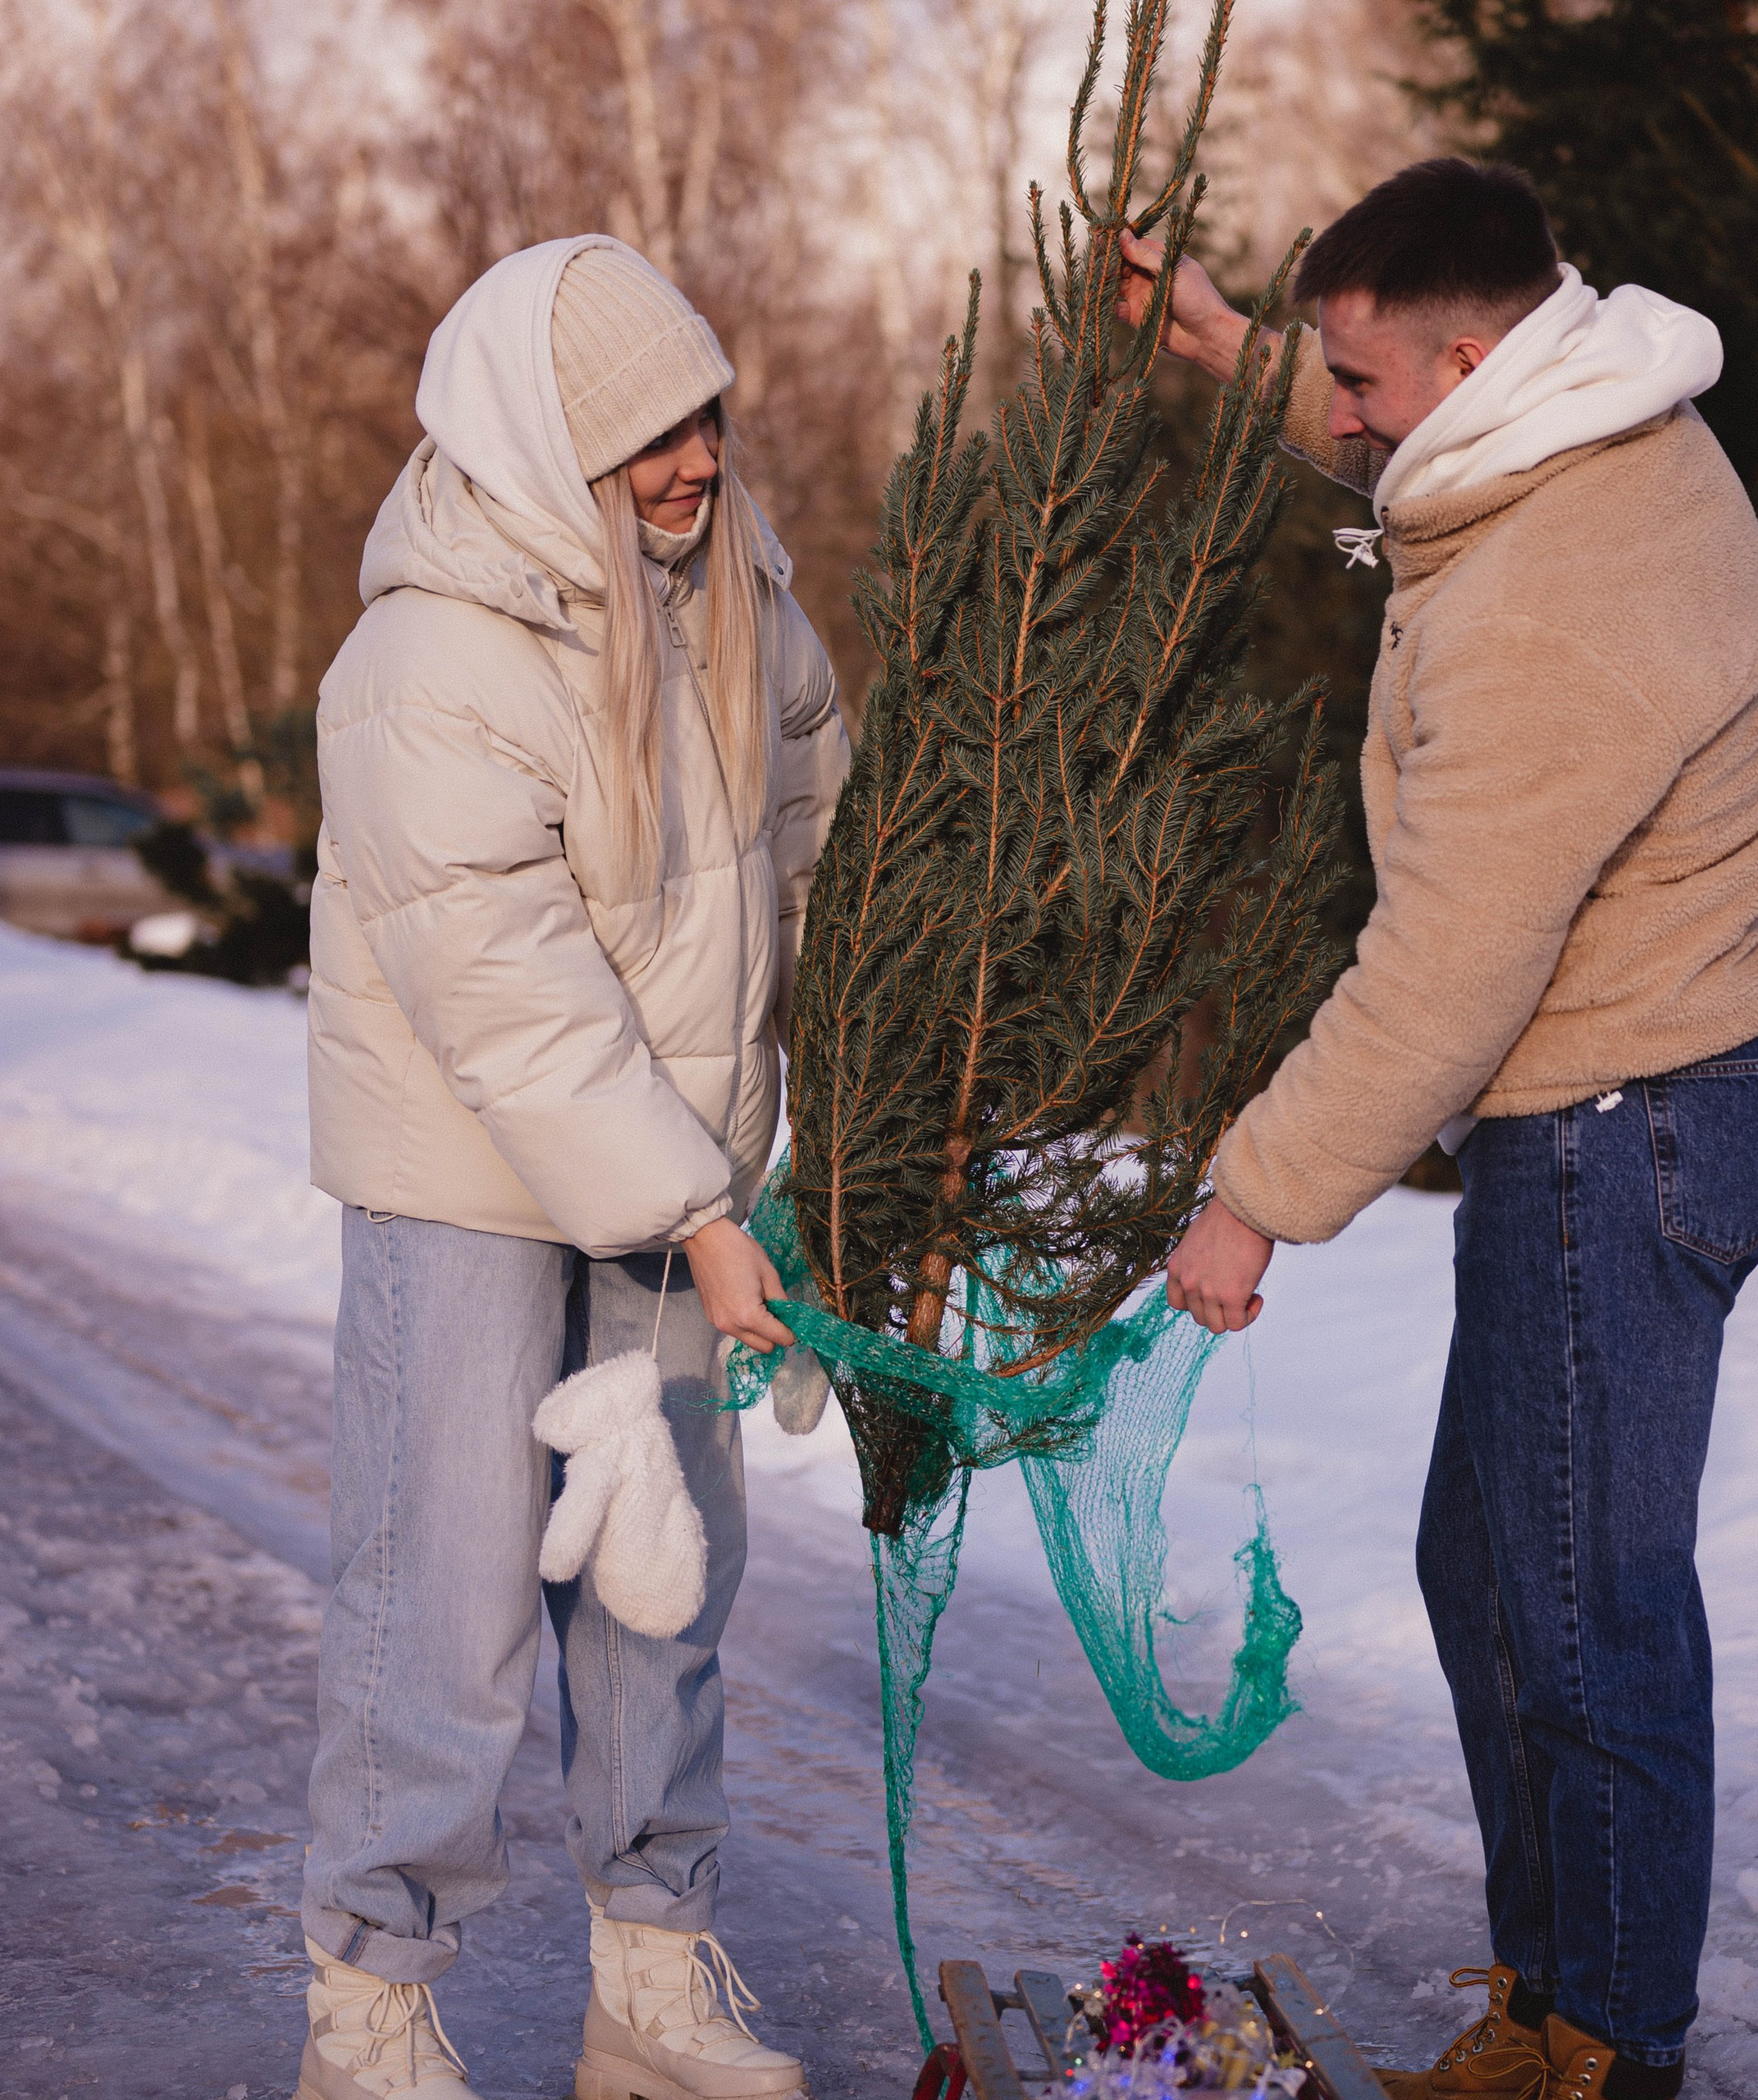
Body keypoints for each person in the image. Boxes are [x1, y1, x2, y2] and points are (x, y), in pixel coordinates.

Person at [1122, 160, 1758, 2100]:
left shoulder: (1551, 604)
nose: (1336, 418)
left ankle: (1602, 2043)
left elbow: (1441, 969)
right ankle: (1554, 1988)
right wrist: (1231, 344)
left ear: (1473, 353)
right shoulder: (1578, 409)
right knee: (1494, 1572)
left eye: (1354, 383)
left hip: (1622, 1119)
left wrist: (1252, 1196)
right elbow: (1405, 408)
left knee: (1578, 1610)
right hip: (1628, 1094)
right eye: (1321, 376)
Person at [299, 236, 849, 2100]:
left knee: (654, 1587)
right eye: (644, 437)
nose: (694, 459)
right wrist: (696, 1214)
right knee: (440, 1597)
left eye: (704, 414)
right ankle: (368, 2004)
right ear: (542, 443)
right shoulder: (422, 657)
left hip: (677, 1165)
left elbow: (806, 827)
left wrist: (812, 1117)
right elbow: (508, 995)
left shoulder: (733, 593)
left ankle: (652, 1984)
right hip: (468, 1173)